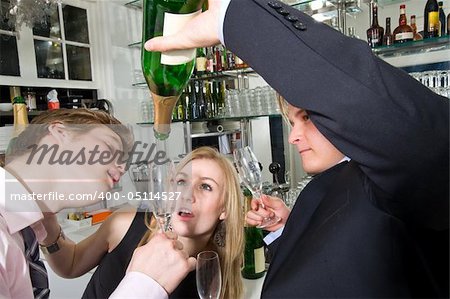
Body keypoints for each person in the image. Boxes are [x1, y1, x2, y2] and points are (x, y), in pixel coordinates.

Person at [144, 0, 449, 297]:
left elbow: (420, 133)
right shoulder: (329, 185)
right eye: (292, 123)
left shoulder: (396, 179)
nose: (293, 137)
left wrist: (232, 19)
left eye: (306, 118)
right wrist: (286, 230)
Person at [0, 109, 195, 299]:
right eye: (110, 147)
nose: (121, 168)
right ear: (60, 133)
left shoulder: (22, 231)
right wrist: (146, 284)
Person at [39, 146, 244, 299]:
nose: (187, 194)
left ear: (224, 208)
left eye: (206, 186)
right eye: (181, 181)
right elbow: (71, 265)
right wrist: (47, 226)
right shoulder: (125, 223)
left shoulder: (215, 268)